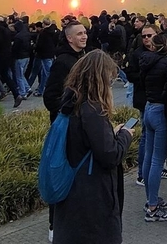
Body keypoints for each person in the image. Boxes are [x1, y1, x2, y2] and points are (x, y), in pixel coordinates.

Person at [51, 50, 135, 244]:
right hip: (92, 198)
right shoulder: (92, 108)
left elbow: (84, 142)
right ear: (100, 79)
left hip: (72, 192)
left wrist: (109, 134)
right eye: (110, 81)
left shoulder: (70, 103)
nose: (111, 86)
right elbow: (109, 155)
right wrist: (124, 136)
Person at [43, 20, 89, 241]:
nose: (84, 36)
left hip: (81, 127)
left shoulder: (82, 58)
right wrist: (67, 112)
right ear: (69, 38)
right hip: (67, 127)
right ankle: (55, 225)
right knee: (61, 174)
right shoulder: (63, 62)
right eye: (79, 33)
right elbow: (50, 96)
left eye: (85, 32)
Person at [138, 30, 167, 222]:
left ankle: (150, 199)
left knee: (149, 158)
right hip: (161, 111)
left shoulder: (146, 62)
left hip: (149, 108)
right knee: (157, 161)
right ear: (165, 45)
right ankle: (152, 208)